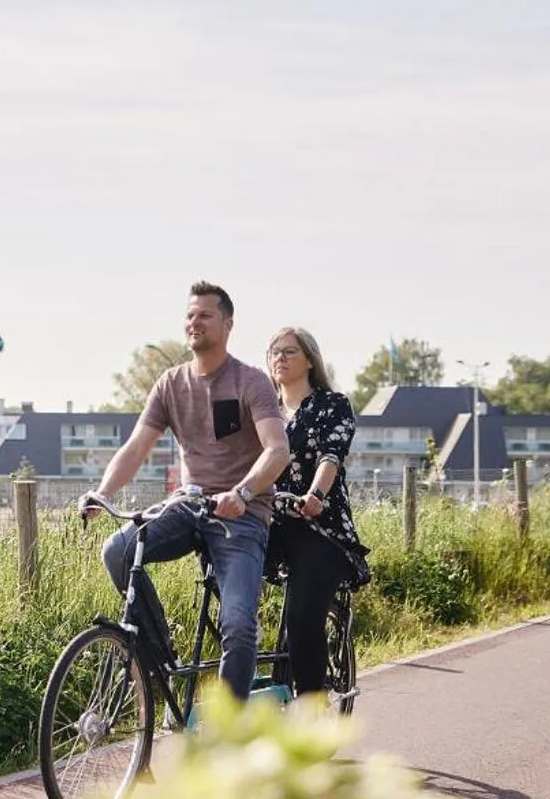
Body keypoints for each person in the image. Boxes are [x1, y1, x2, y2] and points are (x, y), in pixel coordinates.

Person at [81, 282, 290, 700]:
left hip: (241, 516)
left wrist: (243, 493)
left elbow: (277, 450)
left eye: (205, 315)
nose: (194, 322)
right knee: (118, 551)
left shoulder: (250, 382)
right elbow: (137, 446)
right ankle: (159, 660)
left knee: (238, 624)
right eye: (190, 315)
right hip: (189, 506)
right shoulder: (171, 383)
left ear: (227, 325)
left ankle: (231, 730)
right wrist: (102, 494)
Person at [264, 326, 372, 701]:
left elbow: (331, 455)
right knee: (226, 592)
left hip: (319, 528)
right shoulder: (263, 411)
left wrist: (315, 495)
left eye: (289, 351)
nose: (280, 357)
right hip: (271, 525)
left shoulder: (332, 405)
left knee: (303, 618)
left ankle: (310, 709)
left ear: (309, 359)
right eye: (274, 351)